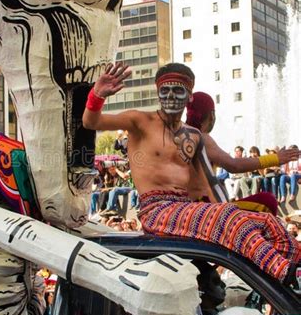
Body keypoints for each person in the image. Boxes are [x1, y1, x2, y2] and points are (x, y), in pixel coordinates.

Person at [82, 62, 301, 284]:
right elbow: (91, 121)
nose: (170, 96)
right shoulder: (140, 120)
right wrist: (97, 95)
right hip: (156, 211)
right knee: (227, 217)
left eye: (178, 91)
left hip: (186, 206)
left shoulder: (194, 135)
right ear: (158, 93)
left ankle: (297, 264)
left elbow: (214, 176)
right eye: (164, 90)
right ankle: (286, 272)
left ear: (189, 97)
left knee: (267, 221)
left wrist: (274, 159)